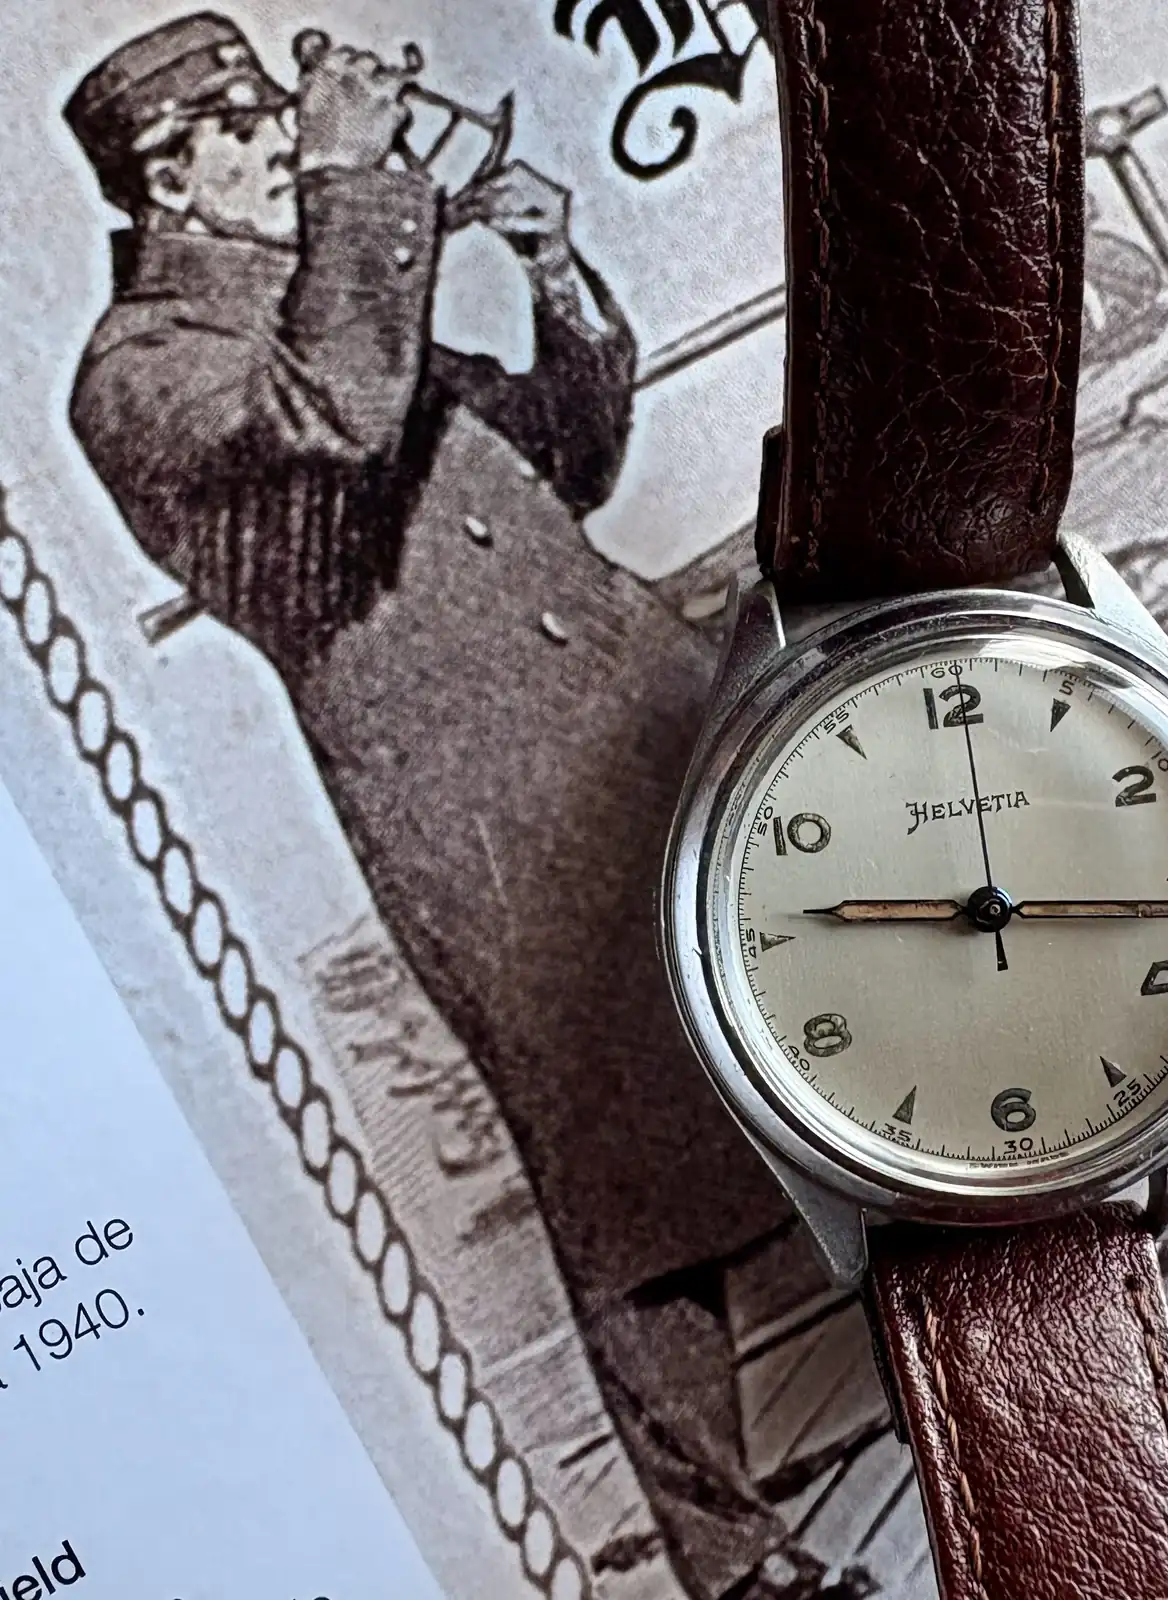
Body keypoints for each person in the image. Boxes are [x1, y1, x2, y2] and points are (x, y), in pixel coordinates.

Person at [62, 15, 847, 1598]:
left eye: (285, 123)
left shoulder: (324, 290)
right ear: (170, 175)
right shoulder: (139, 374)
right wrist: (358, 182)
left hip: (633, 711)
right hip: (479, 814)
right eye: (258, 129)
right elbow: (340, 416)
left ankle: (981, 1268)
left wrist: (553, 276)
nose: (290, 146)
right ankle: (733, 1562)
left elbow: (568, 459)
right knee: (620, 1179)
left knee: (837, 984)